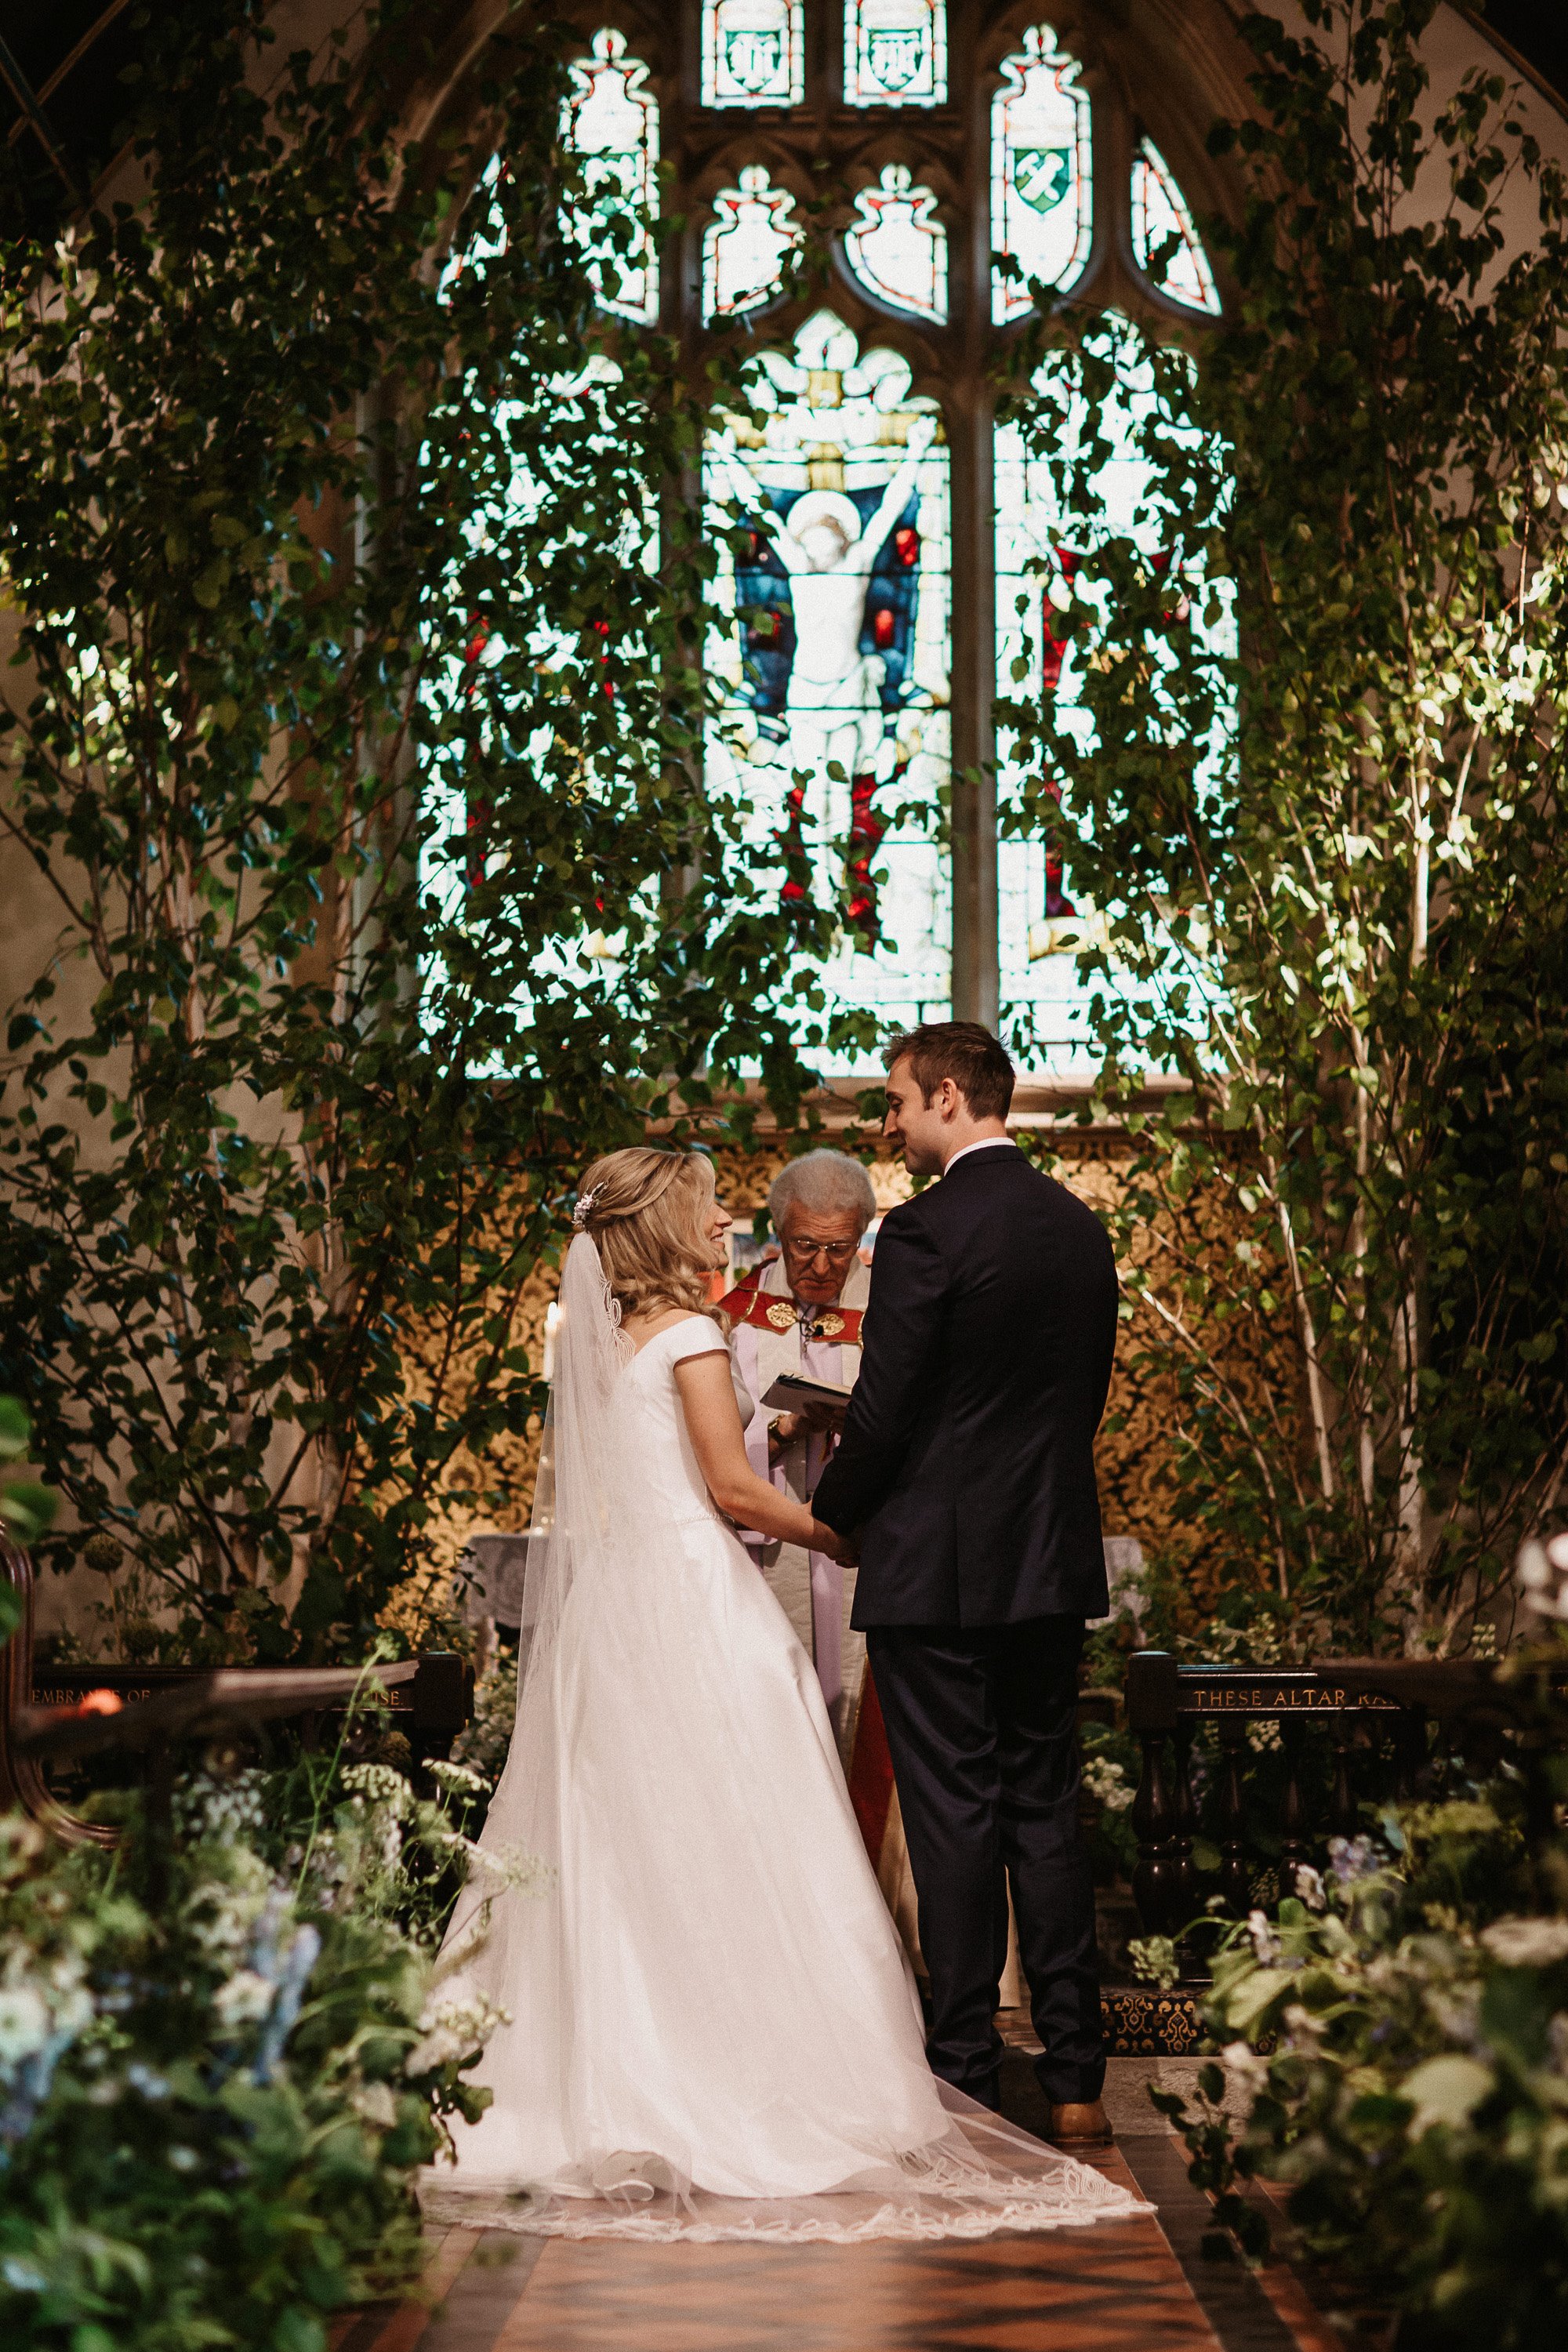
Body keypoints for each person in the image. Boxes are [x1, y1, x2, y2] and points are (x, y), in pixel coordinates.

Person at [423, 1146, 1142, 2242]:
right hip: (698, 1598)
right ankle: (737, 2073)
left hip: (619, 1608)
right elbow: (729, 1486)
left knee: (626, 1845)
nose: (727, 1227)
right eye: (712, 1209)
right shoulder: (699, 1332)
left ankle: (599, 2072)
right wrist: (839, 1531)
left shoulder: (613, 1338)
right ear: (667, 1222)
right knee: (739, 1834)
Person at [811, 1024, 1119, 2151]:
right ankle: (1079, 2080)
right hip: (1046, 1562)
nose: (889, 1122)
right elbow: (1070, 1406)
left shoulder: (926, 1230)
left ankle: (965, 2073)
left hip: (935, 1572)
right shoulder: (1081, 1232)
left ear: (949, 1095)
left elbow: (888, 1411)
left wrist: (832, 1512)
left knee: (952, 1820)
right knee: (1042, 1809)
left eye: (896, 1100)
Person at [720, 1149, 876, 1761]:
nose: (820, 1264)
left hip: (864, 1536)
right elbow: (710, 1434)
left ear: (861, 1235)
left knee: (862, 1708)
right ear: (779, 1232)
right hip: (773, 1532)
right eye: (803, 1244)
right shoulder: (739, 1313)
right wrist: (783, 1431)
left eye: (839, 1248)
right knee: (774, 1715)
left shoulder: (891, 1302)